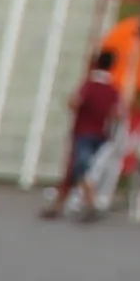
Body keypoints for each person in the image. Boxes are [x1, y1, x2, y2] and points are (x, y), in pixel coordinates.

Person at [45, 47, 127, 220]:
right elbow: (118, 113)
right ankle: (58, 205)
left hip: (83, 131)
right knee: (76, 169)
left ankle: (90, 202)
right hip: (101, 133)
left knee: (80, 167)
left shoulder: (89, 85)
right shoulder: (112, 89)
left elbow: (75, 102)